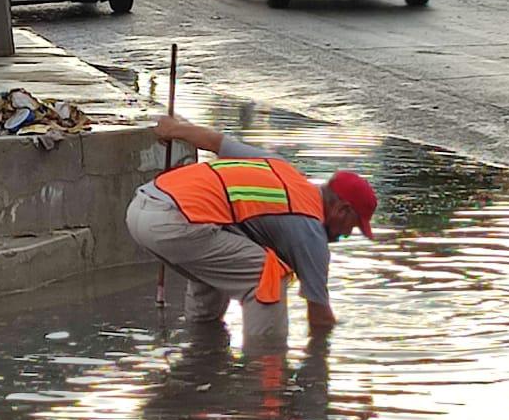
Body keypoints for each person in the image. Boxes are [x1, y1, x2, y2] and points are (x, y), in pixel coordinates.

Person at [125, 115, 378, 339]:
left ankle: (201, 347)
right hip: (174, 223)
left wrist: (173, 129)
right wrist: (340, 345)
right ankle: (263, 371)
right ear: (342, 210)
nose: (347, 234)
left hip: (144, 204)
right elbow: (319, 318)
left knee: (226, 256)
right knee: (266, 273)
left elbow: (215, 142)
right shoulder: (310, 231)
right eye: (353, 226)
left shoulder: (280, 167)